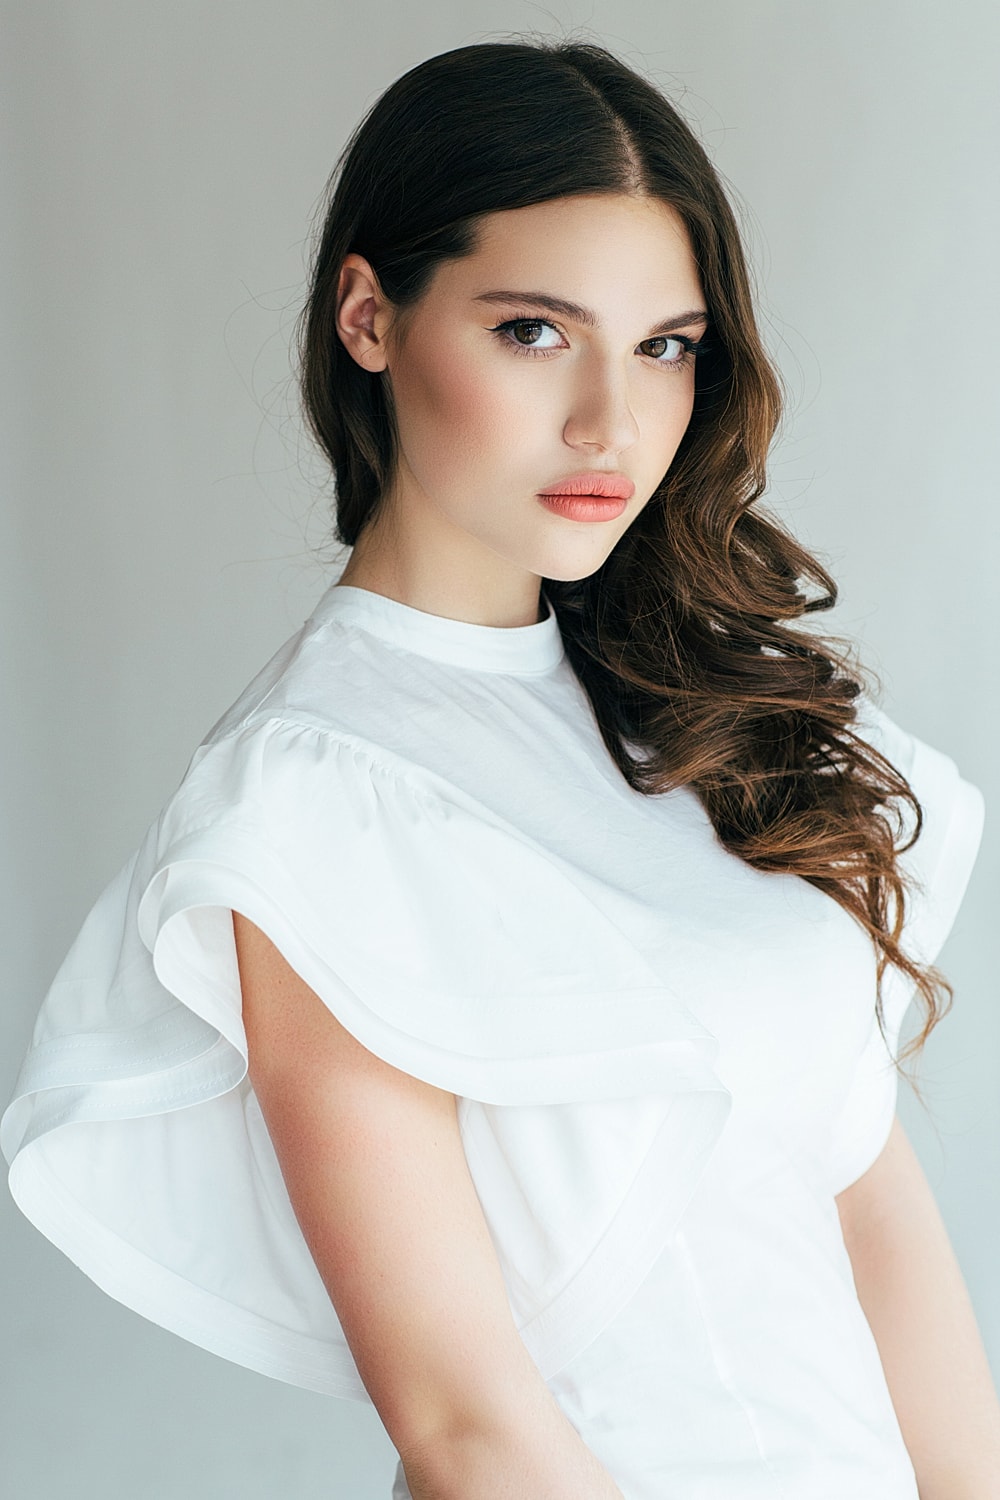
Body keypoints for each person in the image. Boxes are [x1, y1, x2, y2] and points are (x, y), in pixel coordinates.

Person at [3, 35, 999, 1500]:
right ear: (370, 316)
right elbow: (466, 1424)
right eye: (534, 330)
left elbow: (874, 1222)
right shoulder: (310, 801)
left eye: (665, 344)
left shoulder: (697, 720)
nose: (613, 421)